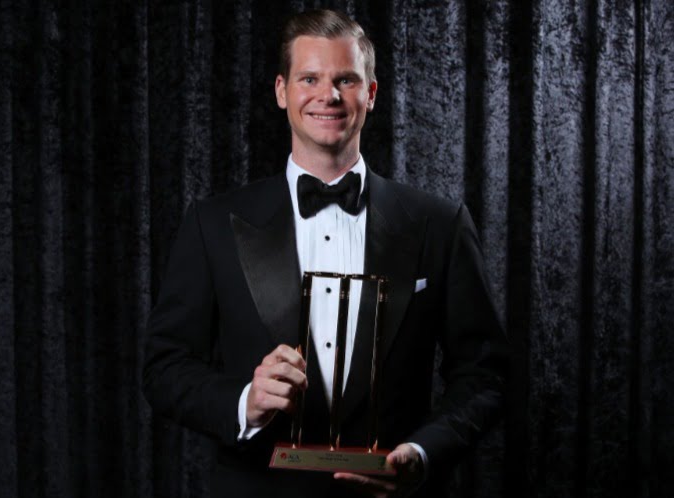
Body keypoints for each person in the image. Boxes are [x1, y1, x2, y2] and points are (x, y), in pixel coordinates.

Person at [143, 9, 509, 498]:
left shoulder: (439, 224)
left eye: (346, 80)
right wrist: (245, 402)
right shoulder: (212, 223)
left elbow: (485, 374)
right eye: (309, 78)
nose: (328, 95)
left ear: (371, 93)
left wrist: (422, 454)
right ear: (281, 91)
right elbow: (164, 367)